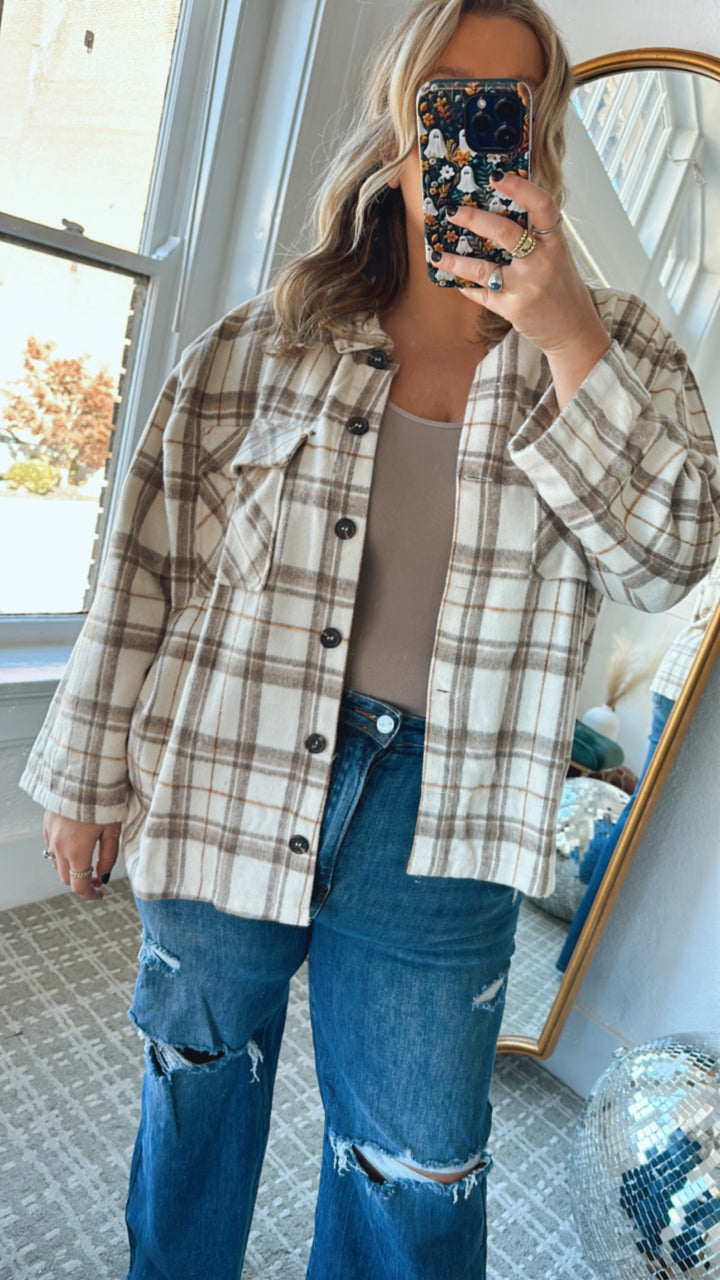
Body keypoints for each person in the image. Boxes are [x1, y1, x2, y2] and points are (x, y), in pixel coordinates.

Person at [20, 1, 720, 1276]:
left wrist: (566, 328)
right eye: (449, 99)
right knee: (194, 1077)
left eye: (510, 111)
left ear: (542, 142)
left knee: (419, 1170)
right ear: (401, 126)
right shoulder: (268, 340)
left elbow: (671, 556)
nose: (476, 135)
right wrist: (85, 779)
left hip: (449, 813)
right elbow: (150, 565)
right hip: (229, 759)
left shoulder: (618, 351)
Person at [557, 551, 720, 973]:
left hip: (683, 676)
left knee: (645, 817)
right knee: (646, 821)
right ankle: (580, 954)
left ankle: (580, 948)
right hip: (693, 685)